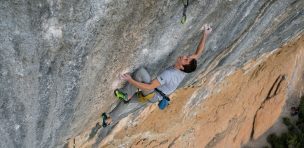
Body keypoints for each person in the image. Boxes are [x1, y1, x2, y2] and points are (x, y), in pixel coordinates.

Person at [103, 24, 212, 127]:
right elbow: (198, 53)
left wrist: (130, 80)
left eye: (185, 59)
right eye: (186, 57)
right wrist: (205, 34)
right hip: (155, 97)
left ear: (182, 67)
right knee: (128, 101)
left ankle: (126, 93)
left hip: (153, 94)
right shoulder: (187, 68)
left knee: (141, 72)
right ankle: (108, 120)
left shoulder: (169, 74)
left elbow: (150, 86)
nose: (184, 56)